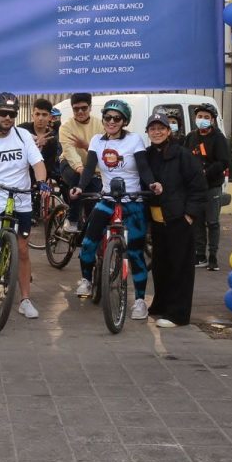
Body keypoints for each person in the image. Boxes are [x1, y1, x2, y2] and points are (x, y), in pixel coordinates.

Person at [70, 99, 161, 321]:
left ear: (124, 121)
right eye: (108, 117)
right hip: (108, 199)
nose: (111, 121)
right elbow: (90, 168)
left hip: (132, 200)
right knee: (89, 243)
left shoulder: (134, 140)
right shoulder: (96, 141)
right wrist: (79, 187)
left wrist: (151, 184)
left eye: (116, 118)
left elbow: (144, 168)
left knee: (135, 253)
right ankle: (87, 280)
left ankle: (140, 301)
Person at [0, 93, 48, 319]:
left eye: (12, 114)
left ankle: (25, 299)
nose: (7, 118)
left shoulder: (23, 136)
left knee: (22, 250)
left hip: (21, 200)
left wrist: (41, 182)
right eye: (3, 113)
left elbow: (38, 164)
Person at [145, 113, 206, 328]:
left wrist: (190, 215)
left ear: (169, 131)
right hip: (157, 222)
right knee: (160, 267)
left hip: (179, 220)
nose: (157, 132)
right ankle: (161, 305)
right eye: (152, 128)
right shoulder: (146, 156)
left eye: (161, 128)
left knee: (180, 268)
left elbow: (198, 186)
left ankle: (178, 314)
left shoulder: (183, 155)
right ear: (148, 132)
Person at [184, 103, 229, 271]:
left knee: (212, 222)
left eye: (206, 117)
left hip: (212, 187)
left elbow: (223, 162)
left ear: (213, 120)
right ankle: (200, 255)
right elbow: (184, 157)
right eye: (199, 117)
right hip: (195, 188)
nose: (202, 120)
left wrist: (206, 172)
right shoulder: (191, 137)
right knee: (197, 222)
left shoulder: (218, 138)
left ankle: (213, 256)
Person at [59, 93, 104, 232]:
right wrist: (79, 168)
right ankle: (72, 219)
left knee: (94, 200)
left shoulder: (101, 125)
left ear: (90, 108)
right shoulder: (66, 127)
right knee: (77, 178)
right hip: (69, 164)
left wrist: (86, 146)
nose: (80, 112)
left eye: (84, 108)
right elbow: (69, 151)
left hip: (92, 168)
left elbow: (103, 150)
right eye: (76, 109)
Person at [19, 98, 60, 179]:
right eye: (37, 114)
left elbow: (49, 166)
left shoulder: (52, 139)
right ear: (32, 116)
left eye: (44, 115)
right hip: (20, 174)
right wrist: (36, 144)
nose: (40, 118)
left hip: (40, 178)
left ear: (50, 117)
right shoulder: (22, 129)